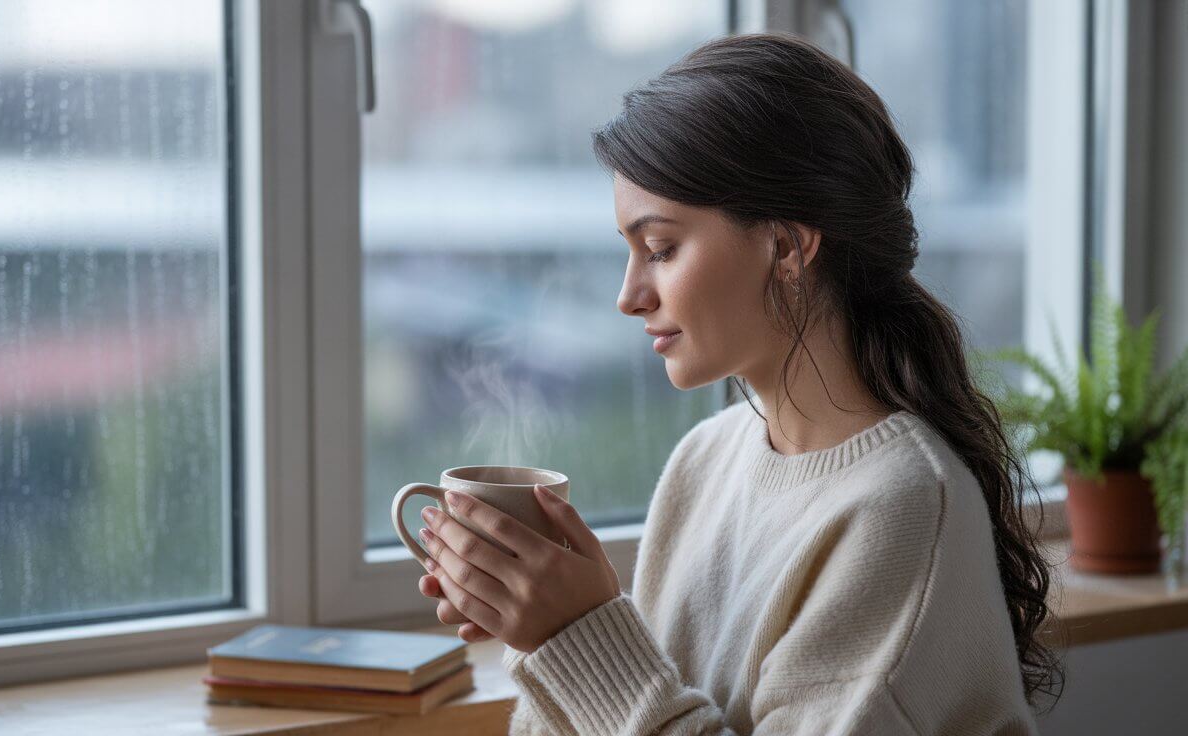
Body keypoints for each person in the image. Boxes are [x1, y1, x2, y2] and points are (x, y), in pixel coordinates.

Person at [415, 32, 1062, 735]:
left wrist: (580, 634)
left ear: (786, 246)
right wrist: (541, 632)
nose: (629, 294)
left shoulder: (902, 507)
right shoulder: (706, 460)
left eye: (660, 249)